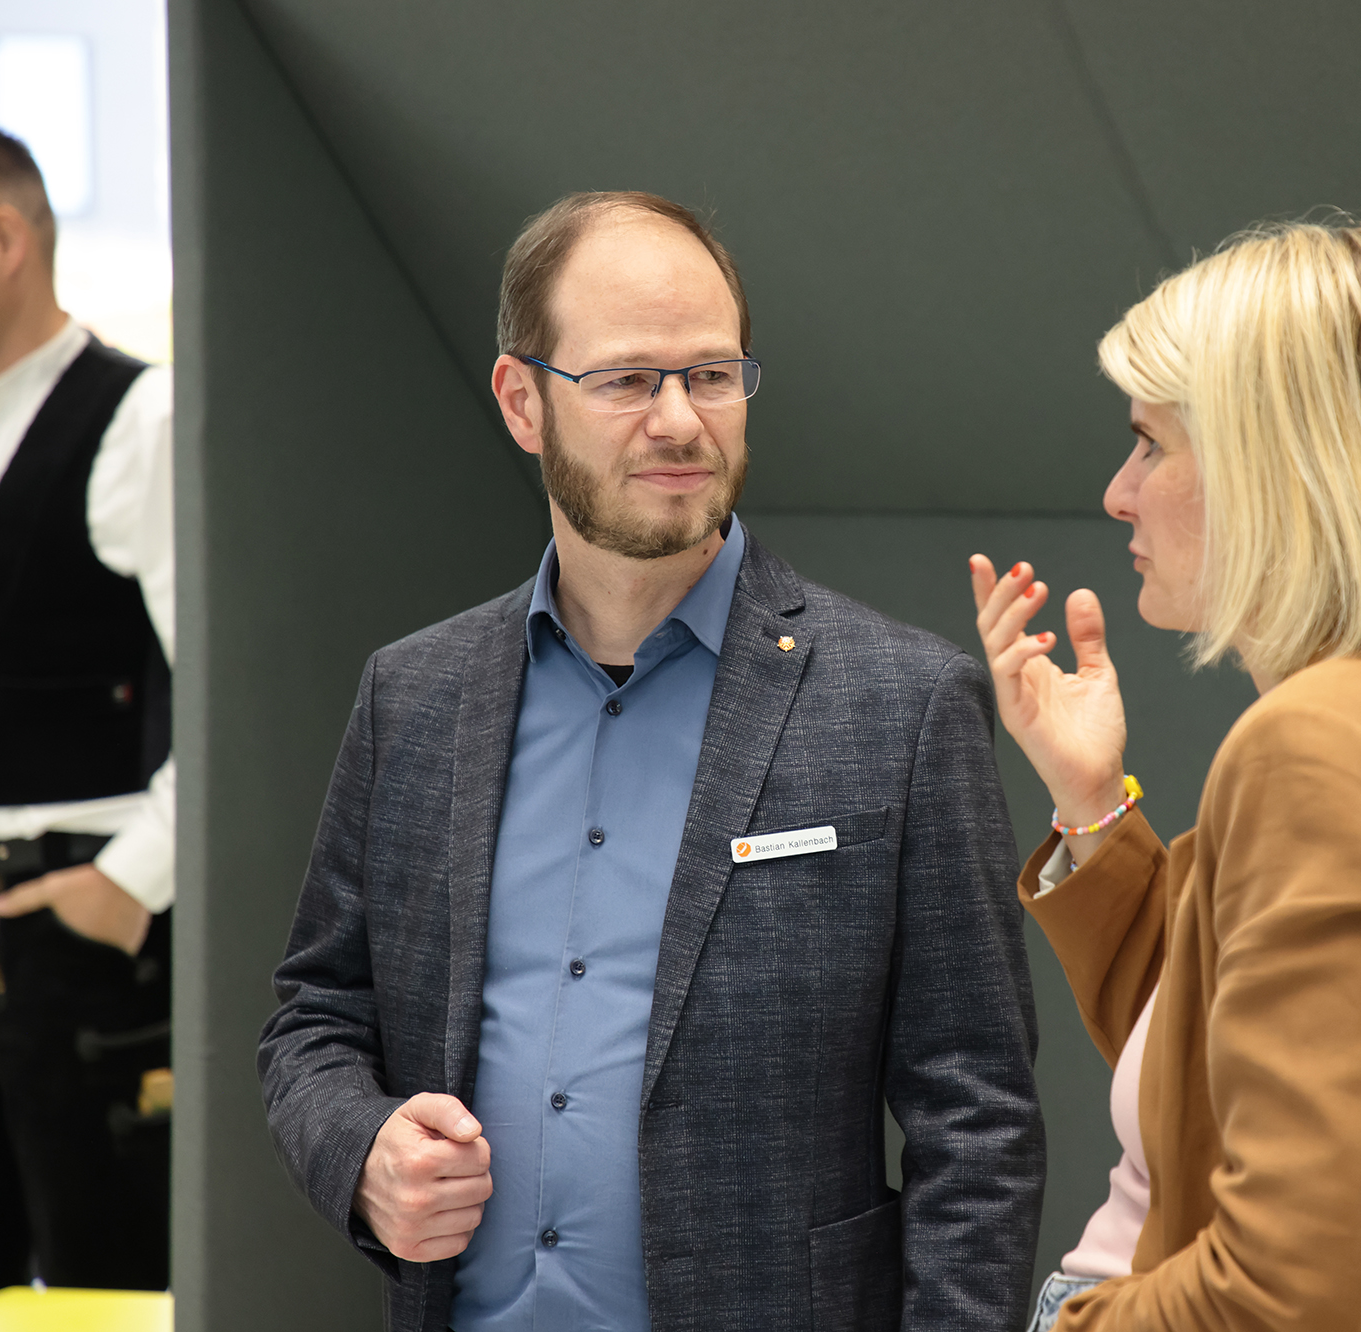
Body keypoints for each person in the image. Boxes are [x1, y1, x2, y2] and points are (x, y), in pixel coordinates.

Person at [257, 191, 1044, 1332]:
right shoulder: (413, 697)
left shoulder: (898, 705)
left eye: (711, 375)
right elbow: (318, 1015)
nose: (679, 422)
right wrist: (361, 1152)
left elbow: (976, 1117)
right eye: (627, 379)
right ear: (521, 402)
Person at [972, 222, 1361, 1332]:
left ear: (1274, 467)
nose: (1117, 493)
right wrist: (1091, 802)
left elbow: (1285, 1287)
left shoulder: (1313, 743)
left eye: (1150, 445)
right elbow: (1208, 1076)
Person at [0, 120, 175, 1296]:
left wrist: (131, 879)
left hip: (65, 924)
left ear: (4, 237)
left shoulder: (136, 418)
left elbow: (223, 680)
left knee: (99, 1274)